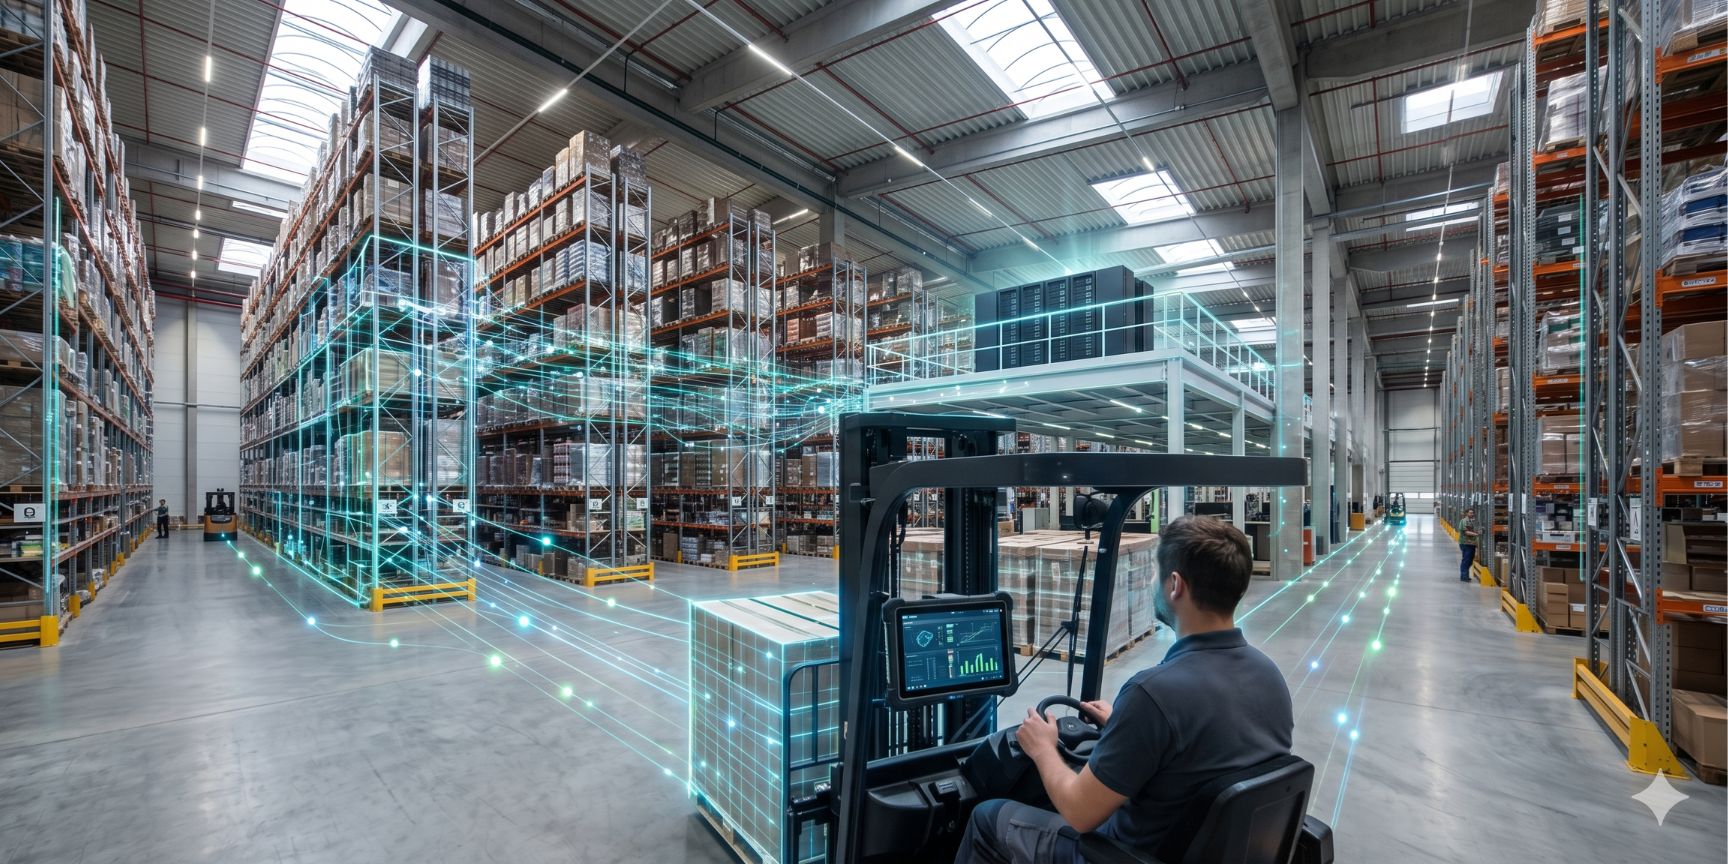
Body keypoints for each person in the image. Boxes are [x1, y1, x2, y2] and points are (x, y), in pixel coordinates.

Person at [954, 517, 1294, 864]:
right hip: (1197, 849)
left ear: (1175, 585)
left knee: (988, 817)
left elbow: (1079, 812)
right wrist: (1126, 724)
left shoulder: (1153, 694)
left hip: (1124, 854)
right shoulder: (1269, 675)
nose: (1149, 582)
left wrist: (1042, 749)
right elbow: (1205, 748)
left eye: (1154, 572)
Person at [1457, 508, 1480, 583]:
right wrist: (1476, 534)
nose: (1472, 514)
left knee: (1470, 560)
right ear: (1466, 513)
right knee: (1466, 560)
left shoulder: (1471, 521)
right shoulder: (1464, 521)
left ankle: (1465, 575)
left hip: (1471, 543)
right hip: (1466, 543)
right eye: (1470, 513)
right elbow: (1466, 532)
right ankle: (1464, 576)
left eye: (1472, 513)